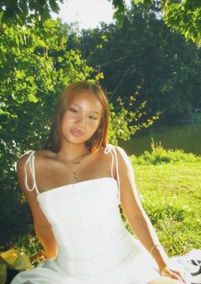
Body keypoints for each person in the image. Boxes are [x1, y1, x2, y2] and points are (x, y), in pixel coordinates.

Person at [11, 81, 185, 284]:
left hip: (126, 265)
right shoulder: (29, 166)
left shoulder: (114, 158)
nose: (80, 122)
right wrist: (51, 259)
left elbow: (135, 214)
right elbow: (42, 224)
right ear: (61, 111)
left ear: (100, 124)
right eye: (74, 111)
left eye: (91, 116)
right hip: (68, 274)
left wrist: (162, 263)